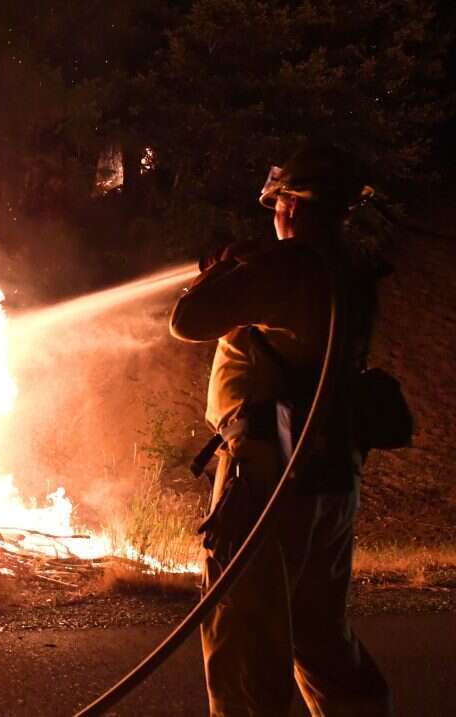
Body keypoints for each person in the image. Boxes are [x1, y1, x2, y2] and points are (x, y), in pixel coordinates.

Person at [169, 142, 393, 717]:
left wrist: (229, 269)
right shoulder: (351, 273)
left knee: (244, 638)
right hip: (331, 476)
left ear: (290, 204)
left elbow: (187, 320)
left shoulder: (285, 266)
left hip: (266, 476)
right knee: (319, 638)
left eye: (278, 204)